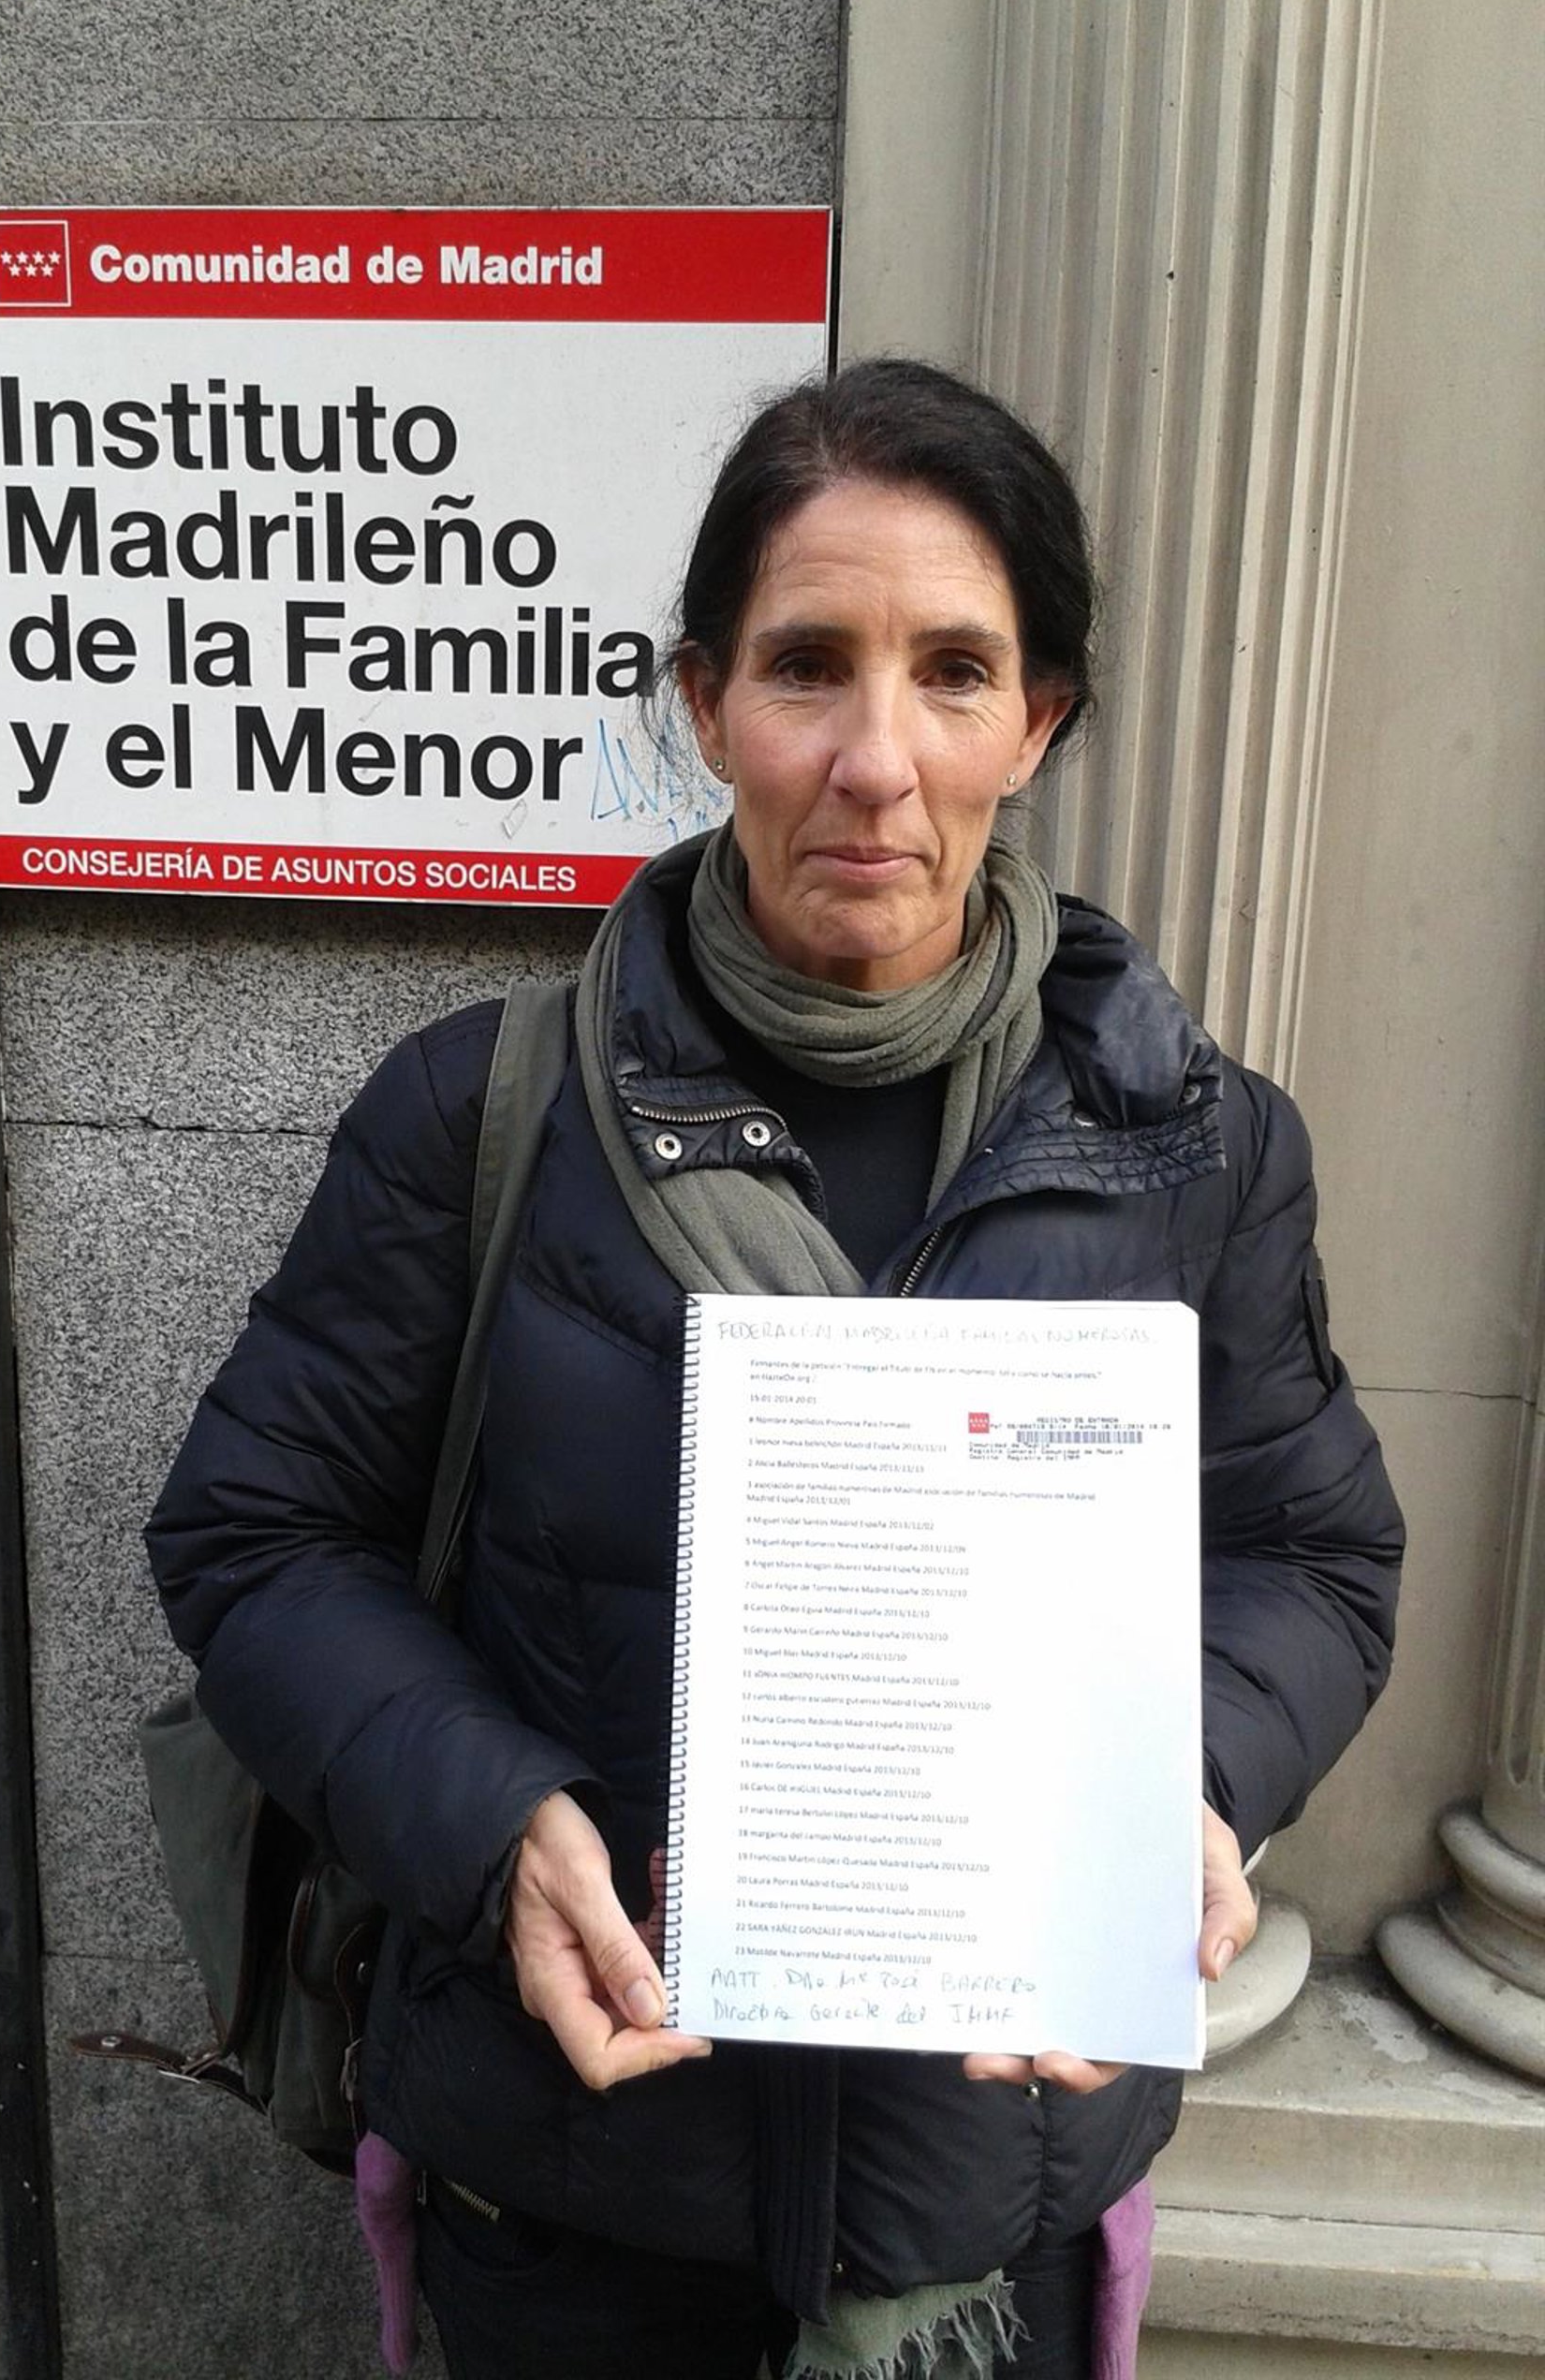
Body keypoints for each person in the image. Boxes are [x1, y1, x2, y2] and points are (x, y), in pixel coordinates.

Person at [146, 360, 1403, 2380]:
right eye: (809, 665)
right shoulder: (484, 1115)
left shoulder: (1197, 1148)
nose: (875, 760)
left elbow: (1313, 1557)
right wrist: (493, 1821)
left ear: (1039, 720)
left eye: (955, 672)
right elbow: (256, 1535)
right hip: (574, 2211)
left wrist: (1188, 1786)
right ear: (705, 699)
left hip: (988, 2231)